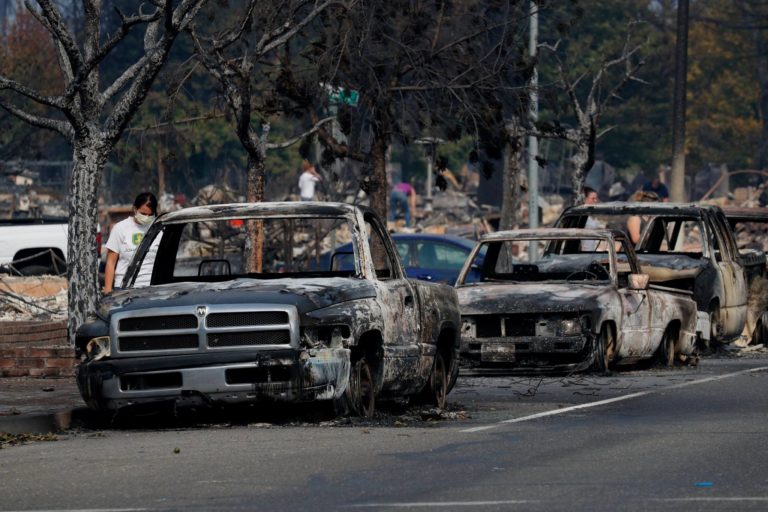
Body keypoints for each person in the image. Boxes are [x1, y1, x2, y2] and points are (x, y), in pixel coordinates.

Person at [103, 192, 159, 294]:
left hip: (152, 289)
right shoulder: (120, 228)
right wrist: (108, 289)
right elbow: (111, 262)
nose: (146, 217)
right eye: (143, 213)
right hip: (124, 289)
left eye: (150, 214)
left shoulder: (158, 229)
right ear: (135, 209)